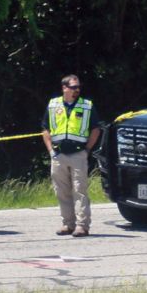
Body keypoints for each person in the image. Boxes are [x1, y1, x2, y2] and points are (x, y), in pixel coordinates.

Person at [41, 75, 102, 237]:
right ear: (64, 88)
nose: (77, 90)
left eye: (79, 87)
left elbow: (96, 129)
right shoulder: (53, 105)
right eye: (74, 87)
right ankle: (67, 224)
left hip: (78, 154)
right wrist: (50, 151)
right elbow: (45, 130)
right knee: (61, 191)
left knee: (79, 190)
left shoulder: (87, 105)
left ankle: (82, 225)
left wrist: (87, 150)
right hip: (58, 153)